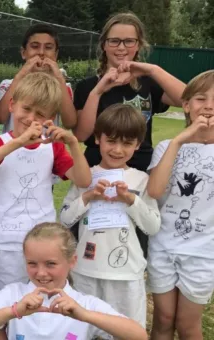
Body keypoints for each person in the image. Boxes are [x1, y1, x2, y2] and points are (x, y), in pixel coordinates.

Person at [71, 12, 185, 256]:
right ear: (104, 45)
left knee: (134, 239)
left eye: (129, 41)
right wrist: (99, 91)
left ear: (138, 45)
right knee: (96, 237)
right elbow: (82, 134)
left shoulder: (148, 83)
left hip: (140, 172)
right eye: (114, 41)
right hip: (99, 170)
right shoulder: (88, 86)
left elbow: (187, 100)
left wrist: (152, 69)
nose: (121, 47)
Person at [0, 72, 91, 292]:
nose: (30, 118)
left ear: (50, 119)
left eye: (40, 114)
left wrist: (73, 143)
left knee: (44, 302)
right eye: (26, 109)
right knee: (6, 304)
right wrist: (17, 143)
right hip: (7, 244)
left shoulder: (52, 147)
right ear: (12, 105)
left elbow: (83, 180)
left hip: (45, 243)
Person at [59, 103, 161, 327]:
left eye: (127, 143)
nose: (117, 150)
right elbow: (65, 219)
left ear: (137, 145)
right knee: (84, 328)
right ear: (98, 139)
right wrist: (88, 197)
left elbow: (152, 226)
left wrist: (131, 200)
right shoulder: (86, 177)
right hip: (86, 271)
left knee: (125, 329)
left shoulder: (141, 180)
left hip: (126, 274)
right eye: (111, 141)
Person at [0, 222, 148, 340]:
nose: (41, 272)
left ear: (72, 261)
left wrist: (85, 315)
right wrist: (14, 310)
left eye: (51, 264)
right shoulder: (14, 293)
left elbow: (139, 335)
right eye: (32, 263)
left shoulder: (83, 303)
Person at [146, 70, 214, 340]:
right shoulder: (167, 147)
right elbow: (154, 190)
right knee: (162, 320)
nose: (208, 105)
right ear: (186, 105)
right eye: (200, 98)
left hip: (202, 252)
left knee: (187, 325)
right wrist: (179, 140)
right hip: (163, 246)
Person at [0, 24, 76, 131]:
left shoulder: (62, 87)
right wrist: (21, 75)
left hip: (45, 146)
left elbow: (70, 123)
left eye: (48, 47)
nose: (41, 52)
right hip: (12, 147)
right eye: (35, 46)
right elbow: (0, 118)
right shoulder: (8, 84)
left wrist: (59, 78)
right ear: (23, 52)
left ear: (55, 55)